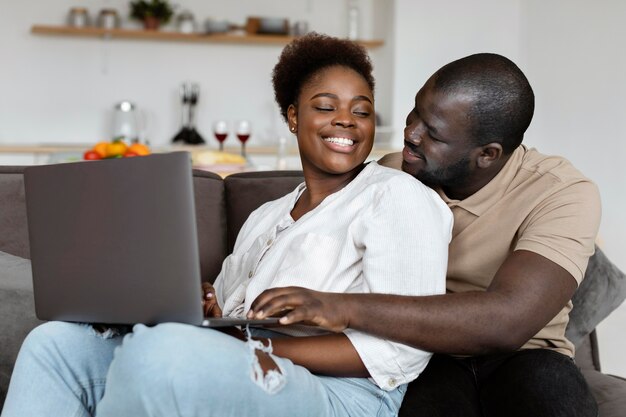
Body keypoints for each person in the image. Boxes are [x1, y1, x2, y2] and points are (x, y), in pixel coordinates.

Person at [1, 34, 452, 417]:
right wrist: (211, 311)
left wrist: (246, 348)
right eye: (325, 106)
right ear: (293, 116)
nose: (345, 121)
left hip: (342, 393)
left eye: (361, 110)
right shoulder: (266, 216)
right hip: (243, 362)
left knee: (160, 353)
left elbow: (402, 352)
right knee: (55, 344)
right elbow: (234, 321)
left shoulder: (396, 196)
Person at [248, 53, 602, 417]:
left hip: (526, 356)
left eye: (432, 133)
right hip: (427, 356)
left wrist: (339, 307)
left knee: (553, 395)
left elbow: (507, 321)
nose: (410, 134)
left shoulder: (561, 193)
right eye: (414, 113)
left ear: (487, 155)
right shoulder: (391, 176)